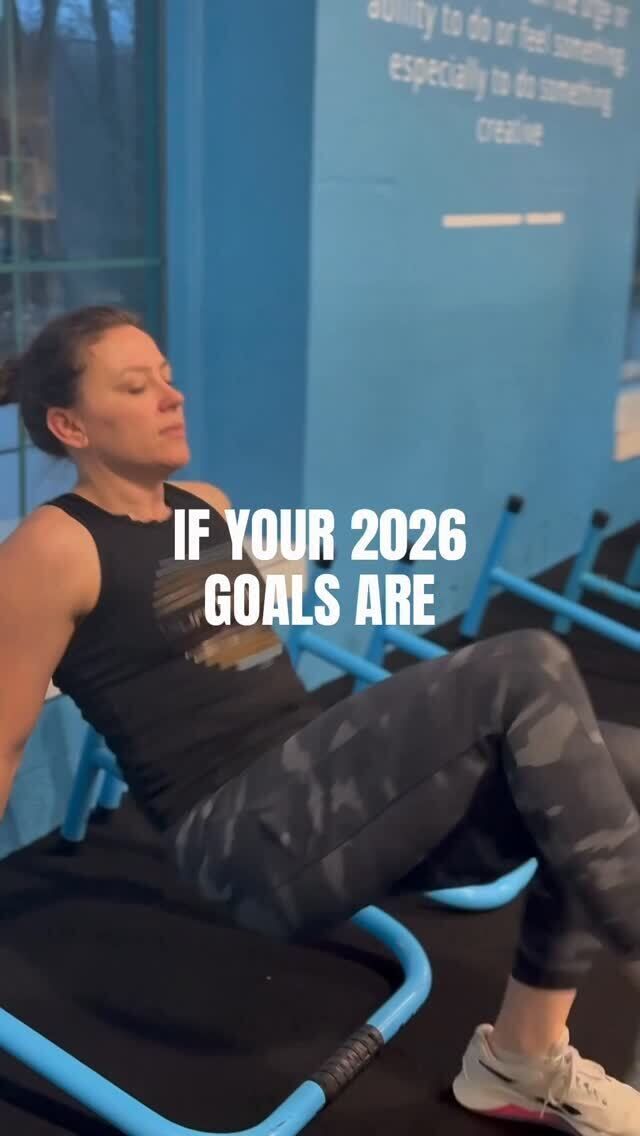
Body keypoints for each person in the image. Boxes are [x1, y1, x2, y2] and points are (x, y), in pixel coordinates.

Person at [0, 305, 639, 1136]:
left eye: (167, 376)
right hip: (240, 841)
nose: (171, 396)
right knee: (524, 663)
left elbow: (231, 679)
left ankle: (520, 1059)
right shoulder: (51, 548)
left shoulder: (205, 506)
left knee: (614, 765)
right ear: (70, 425)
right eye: (135, 385)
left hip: (319, 800)